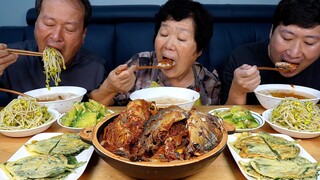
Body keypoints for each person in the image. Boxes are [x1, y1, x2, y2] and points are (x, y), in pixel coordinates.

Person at [90, 0, 221, 106]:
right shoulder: (139, 66)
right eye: (163, 34)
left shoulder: (208, 82)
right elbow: (95, 108)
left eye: (181, 38)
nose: (169, 45)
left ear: (198, 51)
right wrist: (109, 88)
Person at [0, 0, 106, 103]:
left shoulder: (96, 69)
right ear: (36, 24)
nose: (56, 36)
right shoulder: (9, 59)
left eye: (69, 28)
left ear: (83, 35)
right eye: (49, 24)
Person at [221, 0, 320, 105]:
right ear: (271, 31)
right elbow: (226, 117)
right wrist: (238, 90)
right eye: (287, 38)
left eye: (309, 43)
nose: (294, 53)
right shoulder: (241, 58)